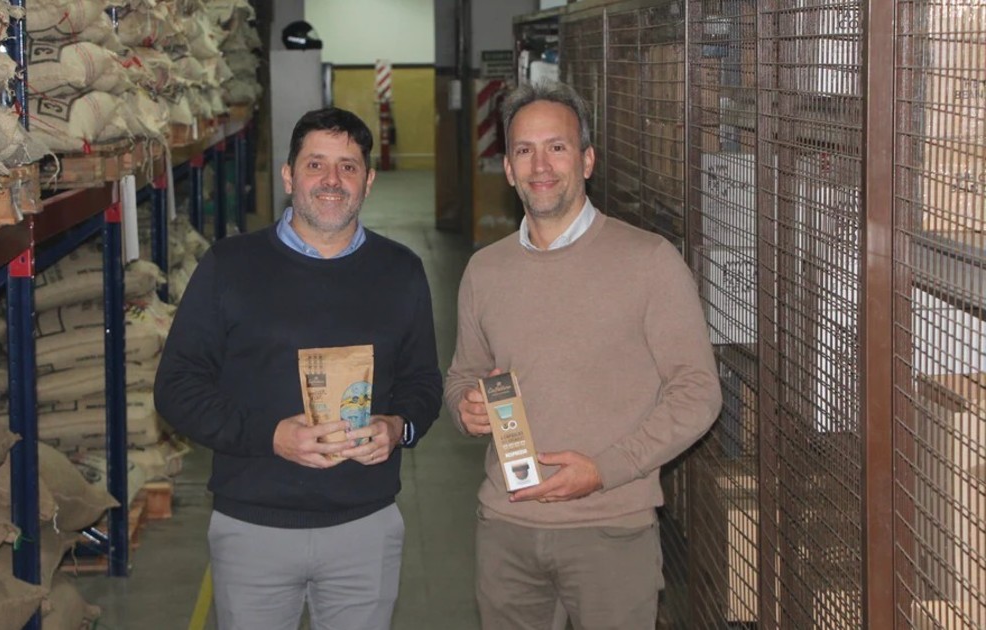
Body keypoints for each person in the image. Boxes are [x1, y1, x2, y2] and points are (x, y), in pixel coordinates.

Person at [444, 80, 722, 629]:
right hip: (507, 527)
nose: (540, 166)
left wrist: (605, 470)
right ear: (508, 169)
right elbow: (462, 375)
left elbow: (698, 393)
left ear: (587, 160)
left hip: (611, 530)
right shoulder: (485, 270)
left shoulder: (648, 261)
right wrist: (465, 407)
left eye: (557, 147)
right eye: (524, 151)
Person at [154, 107, 442, 630]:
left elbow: (423, 381)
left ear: (368, 181)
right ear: (289, 176)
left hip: (365, 526)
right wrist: (271, 436)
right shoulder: (229, 266)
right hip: (253, 527)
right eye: (316, 164)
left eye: (348, 167)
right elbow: (177, 386)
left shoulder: (401, 271)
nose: (332, 180)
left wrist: (398, 427)